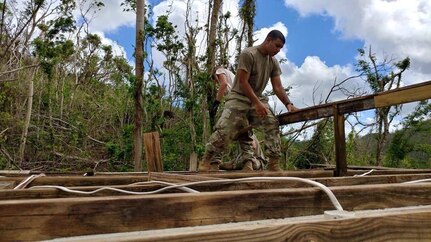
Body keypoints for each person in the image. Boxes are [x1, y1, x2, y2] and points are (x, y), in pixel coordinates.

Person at [199, 29, 299, 172]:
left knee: (271, 122)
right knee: (224, 129)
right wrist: (256, 103)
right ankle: (207, 160)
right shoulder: (249, 54)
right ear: (268, 40)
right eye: (277, 46)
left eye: (280, 48)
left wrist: (288, 104)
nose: (278, 50)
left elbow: (277, 86)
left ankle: (273, 163)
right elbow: (243, 81)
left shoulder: (273, 62)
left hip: (257, 98)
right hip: (239, 97)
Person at [209, 66, 265, 171]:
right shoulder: (233, 77)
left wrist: (216, 102)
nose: (217, 83)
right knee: (243, 132)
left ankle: (214, 163)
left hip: (236, 104)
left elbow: (223, 84)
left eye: (215, 81)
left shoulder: (219, 71)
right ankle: (248, 163)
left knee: (221, 131)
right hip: (244, 103)